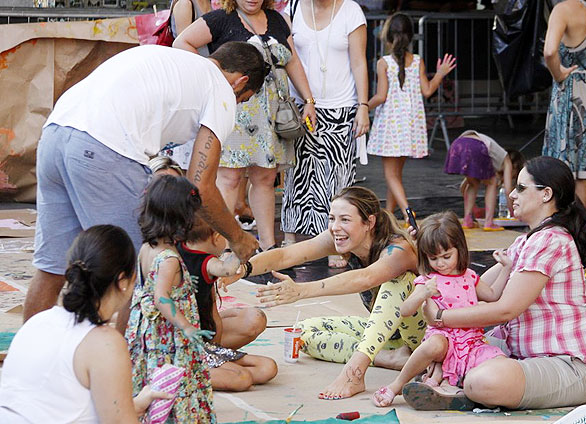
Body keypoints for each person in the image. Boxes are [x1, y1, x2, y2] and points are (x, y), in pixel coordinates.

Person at [23, 42, 267, 326]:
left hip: (56, 133)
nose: (237, 105)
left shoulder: (176, 62)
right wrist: (238, 237)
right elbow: (200, 186)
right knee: (143, 269)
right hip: (105, 147)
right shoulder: (221, 90)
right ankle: (125, 366)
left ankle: (28, 359)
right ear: (241, 82)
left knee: (52, 266)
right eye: (243, 99)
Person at [0, 225, 272, 424]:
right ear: (123, 281)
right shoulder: (104, 343)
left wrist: (136, 403)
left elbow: (62, 407)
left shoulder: (38, 322)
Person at [402, 157, 586, 411]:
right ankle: (453, 382)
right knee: (445, 345)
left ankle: (459, 385)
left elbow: (506, 309)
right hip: (522, 353)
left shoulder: (551, 241)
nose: (511, 194)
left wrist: (441, 316)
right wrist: (428, 251)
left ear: (546, 194)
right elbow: (467, 288)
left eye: (520, 188)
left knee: (483, 379)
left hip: (569, 366)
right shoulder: (527, 241)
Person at [221, 186, 424, 399]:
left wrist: (301, 291)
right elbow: (285, 256)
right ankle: (393, 358)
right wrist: (243, 269)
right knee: (303, 333)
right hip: (391, 336)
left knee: (399, 282)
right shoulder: (341, 237)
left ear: (369, 223)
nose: (335, 227)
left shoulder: (398, 250)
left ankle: (354, 372)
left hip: (424, 336)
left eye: (345, 220)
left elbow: (365, 278)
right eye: (332, 218)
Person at [174, 0, 316, 253]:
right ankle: (222, 244)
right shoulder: (220, 18)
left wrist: (308, 99)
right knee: (228, 177)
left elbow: (292, 61)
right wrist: (212, 79)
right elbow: (181, 42)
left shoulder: (278, 19)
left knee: (266, 176)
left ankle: (267, 245)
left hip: (273, 111)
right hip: (235, 107)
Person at [372, 211, 510, 408]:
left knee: (497, 361)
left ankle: (443, 385)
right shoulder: (428, 280)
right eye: (434, 258)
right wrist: (423, 294)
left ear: (459, 249)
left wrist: (506, 267)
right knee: (436, 345)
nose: (441, 263)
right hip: (442, 339)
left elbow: (493, 295)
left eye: (447, 256)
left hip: (470, 343)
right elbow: (405, 310)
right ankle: (396, 386)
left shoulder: (469, 276)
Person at [125, 175, 218, 424]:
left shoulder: (147, 248)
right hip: (169, 339)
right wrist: (186, 326)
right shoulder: (169, 259)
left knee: (151, 379)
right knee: (173, 385)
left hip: (148, 335)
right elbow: (162, 298)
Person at [281, 0, 370, 268]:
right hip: (301, 106)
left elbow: (359, 62)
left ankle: (337, 244)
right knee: (297, 176)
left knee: (338, 181)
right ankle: (289, 241)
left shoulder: (350, 10)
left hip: (341, 107)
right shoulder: (292, 9)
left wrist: (363, 106)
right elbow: (287, 58)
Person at [366, 13, 456, 226]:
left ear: (388, 36)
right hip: (410, 126)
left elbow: (381, 96)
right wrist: (440, 73)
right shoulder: (417, 61)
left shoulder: (384, 63)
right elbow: (427, 91)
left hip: (391, 125)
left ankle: (407, 213)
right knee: (395, 176)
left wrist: (361, 107)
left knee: (391, 176)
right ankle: (388, 216)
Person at [177, 217, 278, 391]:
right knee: (242, 378)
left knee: (267, 368)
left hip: (201, 340)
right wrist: (240, 248)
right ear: (217, 237)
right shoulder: (200, 262)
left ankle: (205, 368)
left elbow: (211, 309)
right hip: (179, 345)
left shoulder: (187, 252)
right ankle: (180, 375)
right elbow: (228, 269)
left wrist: (215, 352)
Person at [542, 0, 586, 210]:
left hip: (571, 96)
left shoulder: (563, 10)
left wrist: (559, 74)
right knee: (581, 176)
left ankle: (565, 229)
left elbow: (549, 52)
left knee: (560, 170)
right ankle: (584, 231)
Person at [445, 131, 524, 230]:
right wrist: (513, 212)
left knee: (473, 183)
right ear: (514, 167)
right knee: (493, 182)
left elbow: (463, 187)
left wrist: (474, 208)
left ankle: (467, 220)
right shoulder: (506, 159)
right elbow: (508, 190)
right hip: (475, 146)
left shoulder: (488, 158)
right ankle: (489, 222)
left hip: (457, 144)